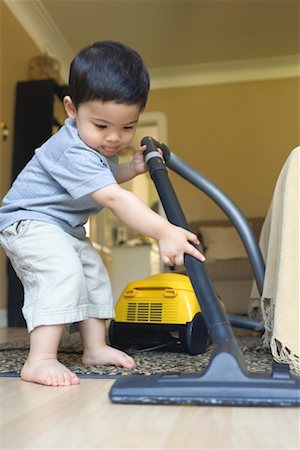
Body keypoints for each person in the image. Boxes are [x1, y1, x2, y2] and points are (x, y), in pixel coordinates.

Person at [0, 41, 205, 387]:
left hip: (65, 228)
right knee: (62, 272)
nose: (113, 138)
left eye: (127, 128)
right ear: (71, 108)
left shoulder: (96, 146)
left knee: (94, 276)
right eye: (101, 125)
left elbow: (103, 179)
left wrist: (131, 168)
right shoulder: (70, 147)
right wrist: (163, 231)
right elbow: (113, 198)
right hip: (29, 221)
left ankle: (94, 347)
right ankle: (40, 359)